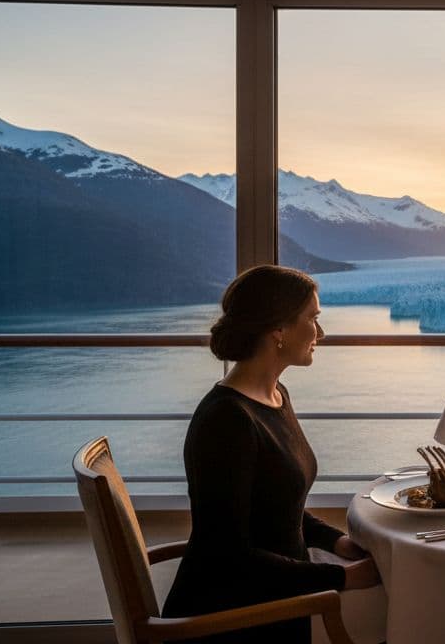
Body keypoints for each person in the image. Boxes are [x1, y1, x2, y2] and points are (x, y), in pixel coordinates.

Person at [164, 265, 379, 643]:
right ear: (279, 329)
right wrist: (342, 576)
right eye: (313, 319)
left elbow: (277, 505)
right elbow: (229, 556)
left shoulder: (274, 397)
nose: (321, 333)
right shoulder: (227, 421)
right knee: (395, 615)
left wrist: (336, 542)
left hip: (276, 588)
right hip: (239, 613)